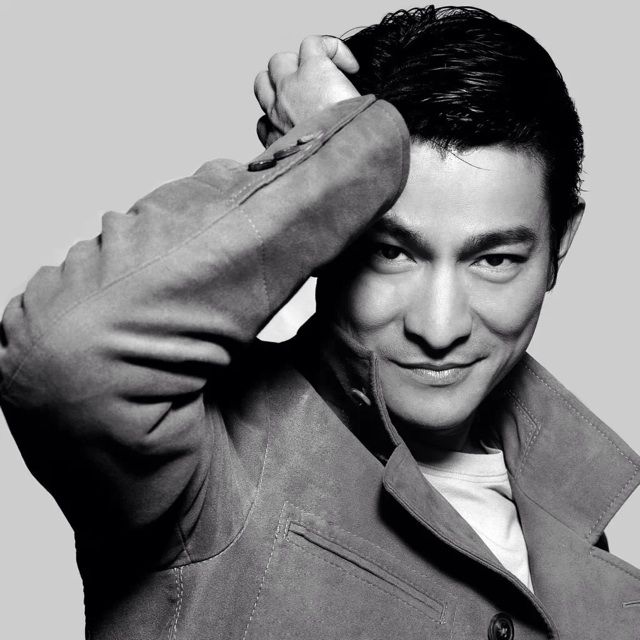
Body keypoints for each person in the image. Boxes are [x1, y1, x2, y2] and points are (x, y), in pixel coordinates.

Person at [1, 5, 638, 639]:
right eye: (391, 253)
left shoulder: (572, 516)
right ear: (328, 228)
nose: (440, 327)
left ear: (559, 245)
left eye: (494, 260)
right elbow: (64, 354)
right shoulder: (209, 462)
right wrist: (333, 150)